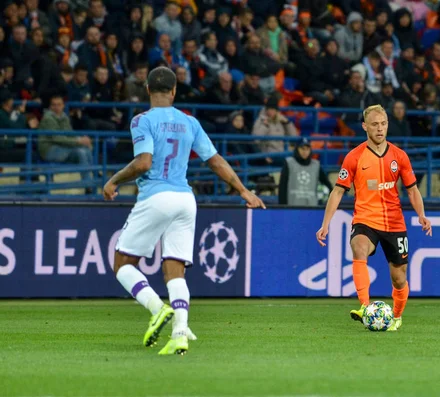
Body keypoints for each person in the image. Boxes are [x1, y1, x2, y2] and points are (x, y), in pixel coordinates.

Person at [102, 66, 265, 356]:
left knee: (123, 264)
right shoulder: (190, 122)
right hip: (185, 199)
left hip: (156, 195)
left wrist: (113, 180)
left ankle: (157, 309)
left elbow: (143, 163)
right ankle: (180, 332)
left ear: (148, 90)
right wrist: (243, 190)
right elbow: (215, 161)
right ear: (175, 91)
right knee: (174, 271)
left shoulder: (142, 120)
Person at [315, 104, 432, 332]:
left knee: (399, 278)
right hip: (365, 219)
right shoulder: (354, 157)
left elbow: (412, 189)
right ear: (365, 127)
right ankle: (365, 306)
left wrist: (421, 215)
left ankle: (396, 317)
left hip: (395, 223)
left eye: (383, 124)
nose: (380, 129)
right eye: (375, 124)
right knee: (358, 247)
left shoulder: (400, 156)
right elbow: (338, 190)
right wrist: (325, 224)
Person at [278, 137, 333, 206]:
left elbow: (327, 184)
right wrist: (283, 208)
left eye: (307, 149)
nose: (305, 152)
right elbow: (283, 187)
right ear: (297, 149)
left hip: (312, 209)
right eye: (302, 149)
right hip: (292, 208)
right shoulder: (289, 163)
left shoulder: (316, 165)